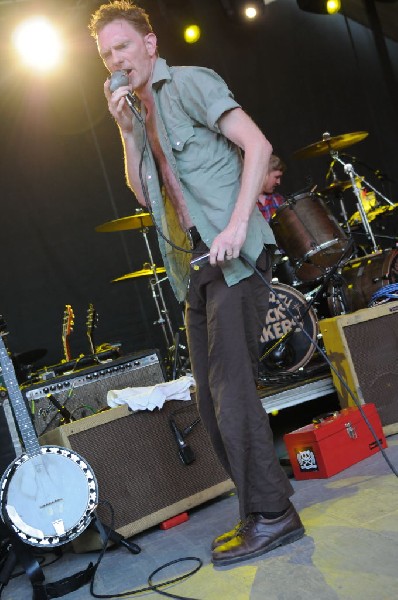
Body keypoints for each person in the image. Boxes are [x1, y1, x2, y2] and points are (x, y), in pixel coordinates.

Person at [88, 1, 304, 567]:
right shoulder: (137, 114)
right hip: (195, 270)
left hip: (235, 257)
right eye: (105, 54)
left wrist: (237, 225)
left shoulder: (190, 84)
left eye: (122, 47)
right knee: (210, 404)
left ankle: (275, 516)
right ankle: (259, 513)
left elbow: (256, 146)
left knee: (233, 396)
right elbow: (143, 194)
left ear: (150, 44)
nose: (115, 60)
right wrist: (126, 133)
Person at [257, 154, 286, 223]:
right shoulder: (244, 202)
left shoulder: (278, 199)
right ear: (263, 174)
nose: (279, 182)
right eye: (276, 177)